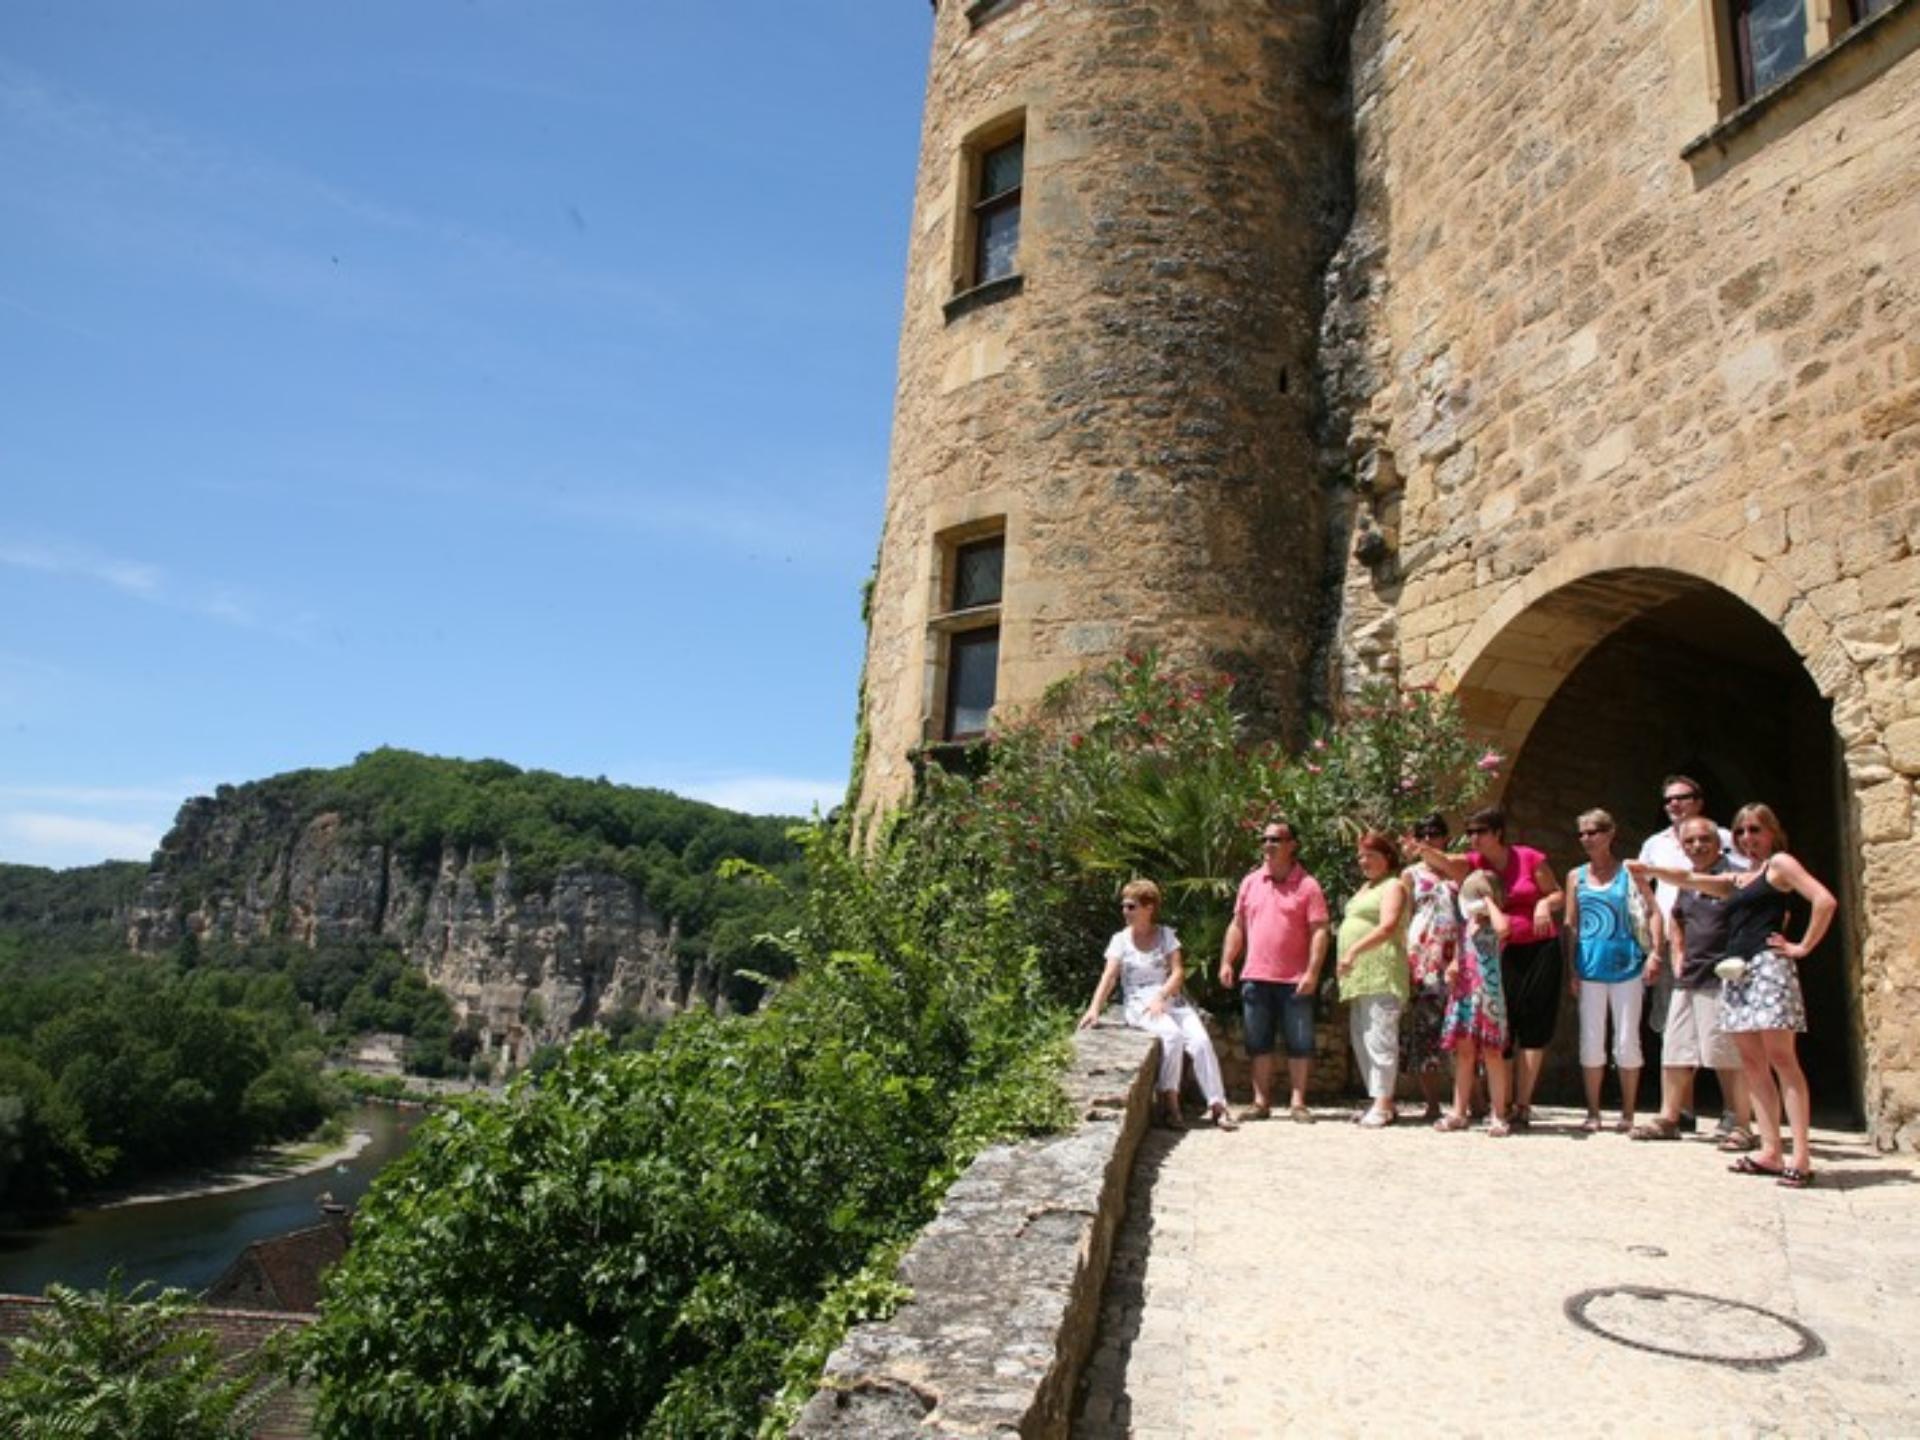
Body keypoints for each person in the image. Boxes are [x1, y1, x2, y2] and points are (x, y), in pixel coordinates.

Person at [1635, 804, 1836, 1187]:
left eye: (1755, 829)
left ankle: (1801, 1156)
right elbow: (1693, 880)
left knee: (1782, 1060)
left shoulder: (1780, 864)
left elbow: (1823, 900)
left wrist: (1802, 947)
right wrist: (1652, 872)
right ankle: (1770, 1151)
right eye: (1741, 831)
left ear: (1772, 831)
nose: (1747, 837)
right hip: (1738, 972)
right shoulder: (1743, 878)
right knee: (1753, 1063)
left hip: (1767, 968)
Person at [1410, 806, 1561, 1129]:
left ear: (1498, 833)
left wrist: (1544, 904)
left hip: (1536, 947)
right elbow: (1448, 863)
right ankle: (1497, 1106)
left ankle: (1521, 1104)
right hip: (1489, 960)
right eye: (1470, 832)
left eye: (1480, 831)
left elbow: (1558, 893)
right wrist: (1421, 848)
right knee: (1496, 1036)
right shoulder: (1474, 863)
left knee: (1532, 1023)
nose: (1473, 838)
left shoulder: (1529, 858)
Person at [1628, 817, 1752, 1146]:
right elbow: (1677, 920)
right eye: (1690, 842)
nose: (1697, 846)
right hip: (1690, 975)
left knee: (1727, 1051)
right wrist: (1678, 956)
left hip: (1723, 974)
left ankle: (1741, 1122)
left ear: (1718, 841)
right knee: (1676, 1048)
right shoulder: (1687, 884)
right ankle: (1670, 1117)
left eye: (1703, 839)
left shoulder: (1732, 876)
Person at [1080, 879, 1237, 1130]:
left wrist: (1162, 996)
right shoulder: (1120, 940)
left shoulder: (1166, 936)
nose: (1125, 912)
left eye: (1131, 907)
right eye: (1124, 906)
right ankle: (1170, 1102)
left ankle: (1218, 1105)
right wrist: (1094, 1008)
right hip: (1139, 1000)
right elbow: (1109, 976)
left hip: (1168, 998)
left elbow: (1177, 973)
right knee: (1171, 1036)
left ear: (1148, 907)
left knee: (1200, 1042)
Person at [1218, 817, 1332, 1123]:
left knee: (1300, 1042)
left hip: (1295, 979)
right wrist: (1227, 961)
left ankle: (1298, 1102)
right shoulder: (1250, 882)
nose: (1268, 845)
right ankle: (1260, 1102)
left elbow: (1320, 930)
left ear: (1291, 845)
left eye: (1275, 839)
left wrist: (1312, 972)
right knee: (1258, 1042)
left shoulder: (1308, 885)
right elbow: (1238, 925)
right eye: (1265, 839)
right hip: (1256, 976)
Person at [1562, 809, 1646, 1133]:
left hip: (1627, 964)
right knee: (1591, 1039)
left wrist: (1653, 954)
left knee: (1627, 1040)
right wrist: (1572, 968)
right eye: (1582, 833)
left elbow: (1647, 910)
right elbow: (1571, 923)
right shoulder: (1575, 876)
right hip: (1589, 966)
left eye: (1593, 831)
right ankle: (1593, 1111)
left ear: (1610, 833)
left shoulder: (1629, 872)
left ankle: (1628, 1113)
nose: (1587, 838)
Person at [1336, 832, 1410, 1129]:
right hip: (1359, 974)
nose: (1364, 862)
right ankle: (1380, 1100)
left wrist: (1353, 949)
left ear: (1387, 857)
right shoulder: (1365, 888)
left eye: (1371, 855)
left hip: (1381, 970)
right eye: (1361, 857)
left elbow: (1388, 925)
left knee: (1380, 1035)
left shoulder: (1394, 885)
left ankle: (1383, 1103)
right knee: (1362, 1036)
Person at [1434, 869, 1512, 1136]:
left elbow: (1504, 929)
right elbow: (1460, 954)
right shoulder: (1466, 926)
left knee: (1492, 1053)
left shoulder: (1496, 922)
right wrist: (1452, 968)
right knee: (1465, 1053)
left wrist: (1489, 903)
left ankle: (1499, 1114)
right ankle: (1459, 1111)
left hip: (1488, 994)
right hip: (1466, 993)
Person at [1400, 813, 1459, 1121]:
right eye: (1422, 833)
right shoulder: (1411, 874)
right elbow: (1404, 913)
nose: (1428, 838)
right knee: (1426, 1029)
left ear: (1445, 836)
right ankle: (1433, 1102)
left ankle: (1472, 1100)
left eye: (1434, 832)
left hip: (1457, 954)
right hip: (1424, 956)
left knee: (1463, 1027)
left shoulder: (1457, 868)